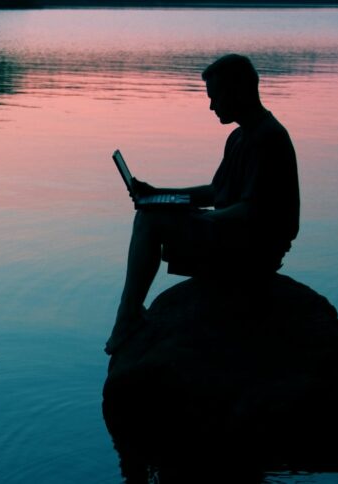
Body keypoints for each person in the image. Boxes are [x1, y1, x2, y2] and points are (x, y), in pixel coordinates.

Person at [106, 54, 300, 355]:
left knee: (149, 220)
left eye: (215, 97)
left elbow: (252, 210)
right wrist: (159, 194)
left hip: (252, 252)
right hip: (234, 236)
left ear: (237, 91)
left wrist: (197, 218)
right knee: (150, 211)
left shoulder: (268, 139)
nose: (211, 107)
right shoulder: (240, 136)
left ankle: (127, 319)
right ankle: (129, 314)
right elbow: (215, 191)